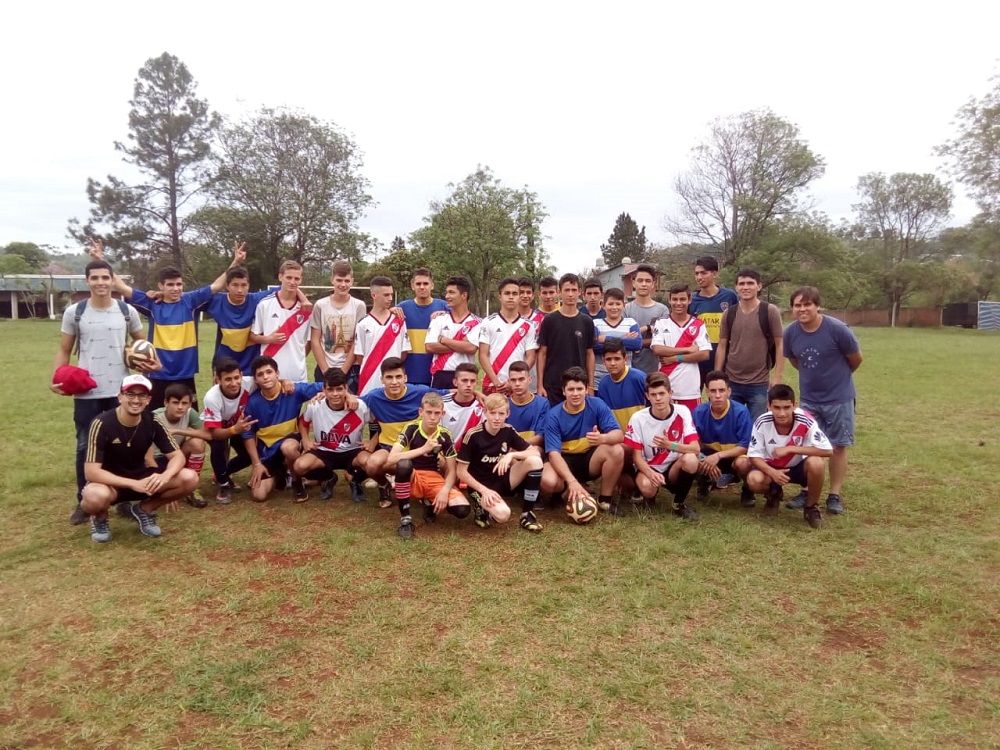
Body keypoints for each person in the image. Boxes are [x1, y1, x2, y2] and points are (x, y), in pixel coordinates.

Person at [52, 250, 146, 525]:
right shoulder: (75, 312)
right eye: (95, 278)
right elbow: (64, 349)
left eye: (106, 277)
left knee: (125, 447)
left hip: (121, 392)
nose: (101, 282)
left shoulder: (127, 311)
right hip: (87, 391)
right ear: (87, 281)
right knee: (85, 446)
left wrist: (149, 363)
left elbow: (142, 344)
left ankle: (124, 501)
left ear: (112, 279)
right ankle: (85, 500)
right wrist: (56, 377)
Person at [110, 243, 243, 409]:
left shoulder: (191, 301)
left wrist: (235, 262)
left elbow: (217, 285)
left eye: (179, 284)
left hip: (185, 374)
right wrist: (100, 261)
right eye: (170, 285)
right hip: (157, 373)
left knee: (189, 419)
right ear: (161, 286)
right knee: (154, 420)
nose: (176, 288)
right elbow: (122, 287)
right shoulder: (152, 304)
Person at [80, 374, 199, 542]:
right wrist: (133, 484)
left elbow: (177, 456)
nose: (136, 400)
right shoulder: (101, 423)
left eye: (142, 395)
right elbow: (91, 472)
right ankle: (99, 517)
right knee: (93, 496)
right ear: (120, 397)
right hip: (110, 483)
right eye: (130, 394)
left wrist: (164, 477)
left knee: (190, 478)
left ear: (149, 399)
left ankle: (145, 509)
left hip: (143, 477)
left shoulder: (153, 420)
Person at [782, 286, 862, 515]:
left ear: (818, 306)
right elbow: (795, 361)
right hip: (809, 400)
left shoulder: (837, 330)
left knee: (838, 446)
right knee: (809, 447)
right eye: (797, 305)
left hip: (838, 398)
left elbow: (855, 359)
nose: (802, 309)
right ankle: (808, 490)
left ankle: (834, 495)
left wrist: (837, 380)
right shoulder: (791, 333)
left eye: (807, 304)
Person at [362, 357, 450, 508]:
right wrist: (322, 394)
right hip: (389, 448)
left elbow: (448, 393)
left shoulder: (420, 392)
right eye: (389, 377)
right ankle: (384, 485)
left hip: (417, 447)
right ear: (382, 379)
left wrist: (476, 393)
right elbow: (349, 401)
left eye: (398, 377)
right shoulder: (373, 397)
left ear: (405, 378)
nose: (394, 381)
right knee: (372, 464)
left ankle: (432, 489)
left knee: (442, 463)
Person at [745, 383, 833, 528]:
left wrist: (791, 449)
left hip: (797, 467)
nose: (782, 413)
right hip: (771, 467)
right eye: (777, 407)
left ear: (794, 405)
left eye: (786, 407)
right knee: (754, 480)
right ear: (769, 406)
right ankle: (774, 494)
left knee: (817, 463)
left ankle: (811, 508)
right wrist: (772, 472)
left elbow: (827, 450)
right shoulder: (762, 422)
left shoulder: (806, 420)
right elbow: (753, 456)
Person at [540, 367, 624, 514]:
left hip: (588, 460)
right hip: (563, 459)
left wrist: (602, 438)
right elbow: (553, 454)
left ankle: (605, 499)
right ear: (564, 391)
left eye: (579, 389)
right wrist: (572, 482)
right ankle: (564, 489)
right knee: (548, 481)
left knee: (616, 450)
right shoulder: (553, 415)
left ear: (586, 389)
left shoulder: (597, 404)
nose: (575, 393)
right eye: (571, 389)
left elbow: (619, 435)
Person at [457, 394, 545, 533]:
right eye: (492, 413)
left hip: (503, 479)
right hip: (481, 486)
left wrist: (512, 455)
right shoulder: (473, 435)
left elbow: (535, 452)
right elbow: (461, 471)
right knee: (503, 515)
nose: (497, 418)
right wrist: (484, 491)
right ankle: (480, 506)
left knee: (535, 461)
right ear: (485, 412)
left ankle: (527, 514)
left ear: (507, 414)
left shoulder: (508, 430)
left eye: (501, 413)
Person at [388, 392, 470, 539]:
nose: (432, 417)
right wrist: (423, 449)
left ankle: (429, 502)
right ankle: (406, 520)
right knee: (403, 465)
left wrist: (445, 490)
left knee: (462, 510)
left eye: (436, 413)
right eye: (428, 412)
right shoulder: (411, 428)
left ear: (443, 414)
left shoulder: (445, 435)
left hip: (434, 478)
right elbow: (391, 458)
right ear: (421, 412)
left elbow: (452, 470)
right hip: (414, 476)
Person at [241, 356, 323, 503]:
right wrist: (257, 464)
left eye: (269, 372)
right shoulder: (252, 403)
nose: (265, 377)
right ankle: (281, 473)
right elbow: (248, 434)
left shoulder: (292, 390)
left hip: (291, 442)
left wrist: (328, 393)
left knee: (288, 448)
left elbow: (327, 386)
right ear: (256, 380)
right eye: (260, 374)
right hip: (269, 451)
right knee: (258, 496)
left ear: (277, 373)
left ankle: (297, 481)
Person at [623, 372, 701, 521]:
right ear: (647, 396)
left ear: (670, 393)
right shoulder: (638, 418)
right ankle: (650, 496)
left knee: (691, 460)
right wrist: (650, 474)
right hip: (650, 467)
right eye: (653, 395)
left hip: (674, 467)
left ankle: (679, 503)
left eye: (662, 393)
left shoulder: (682, 411)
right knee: (647, 487)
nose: (658, 398)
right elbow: (637, 457)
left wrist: (670, 445)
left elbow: (695, 449)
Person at [291, 368, 372, 503]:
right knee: (299, 466)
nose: (335, 394)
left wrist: (373, 441)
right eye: (330, 390)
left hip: (352, 452)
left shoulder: (359, 406)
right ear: (324, 389)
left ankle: (355, 481)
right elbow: (303, 422)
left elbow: (378, 423)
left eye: (339, 389)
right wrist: (305, 439)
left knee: (373, 463)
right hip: (324, 452)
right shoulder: (316, 405)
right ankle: (328, 478)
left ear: (346, 388)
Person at [714, 268, 784, 420]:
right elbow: (722, 345)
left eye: (750, 283)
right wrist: (717, 375)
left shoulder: (770, 311)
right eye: (742, 283)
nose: (746, 287)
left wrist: (777, 378)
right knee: (732, 424)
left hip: (759, 383)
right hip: (732, 381)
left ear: (759, 286)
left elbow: (779, 345)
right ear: (736, 287)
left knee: (758, 427)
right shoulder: (729, 313)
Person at [200, 357, 259, 504]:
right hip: (219, 428)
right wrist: (235, 429)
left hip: (238, 424)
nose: (233, 383)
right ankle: (224, 484)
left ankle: (224, 474)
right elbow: (215, 433)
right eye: (227, 379)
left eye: (236, 377)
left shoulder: (250, 383)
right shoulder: (211, 397)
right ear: (217, 380)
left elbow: (273, 380)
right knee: (218, 446)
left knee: (248, 455)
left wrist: (285, 382)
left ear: (241, 375)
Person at [692, 371, 754, 507]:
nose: (718, 395)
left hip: (734, 456)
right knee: (692, 459)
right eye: (713, 391)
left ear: (729, 391)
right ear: (707, 392)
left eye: (722, 390)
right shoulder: (698, 412)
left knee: (743, 464)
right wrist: (703, 459)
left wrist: (718, 456)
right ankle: (704, 483)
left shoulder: (740, 412)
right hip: (709, 455)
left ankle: (748, 490)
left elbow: (745, 446)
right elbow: (693, 444)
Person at [206, 254, 275, 375]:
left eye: (244, 285)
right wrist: (235, 262)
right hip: (224, 364)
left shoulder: (256, 299)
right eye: (235, 285)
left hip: (252, 366)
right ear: (227, 286)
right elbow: (199, 294)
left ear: (248, 285)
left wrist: (304, 299)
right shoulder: (217, 301)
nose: (240, 290)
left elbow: (287, 287)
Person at [250, 260, 313, 384]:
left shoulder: (306, 309)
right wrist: (269, 339)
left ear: (301, 280)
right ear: (280, 277)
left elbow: (311, 341)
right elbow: (253, 336)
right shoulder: (265, 304)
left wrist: (298, 358)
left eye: (296, 278)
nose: (292, 282)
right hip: (269, 373)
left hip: (296, 374)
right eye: (288, 277)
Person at [537, 274, 596, 405]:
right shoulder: (549, 320)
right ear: (559, 292)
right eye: (567, 290)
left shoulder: (586, 321)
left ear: (580, 292)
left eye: (574, 290)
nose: (570, 294)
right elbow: (542, 353)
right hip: (553, 386)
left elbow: (589, 354)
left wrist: (590, 385)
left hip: (577, 386)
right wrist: (540, 385)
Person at [651, 284, 711, 412]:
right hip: (665, 388)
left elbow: (704, 354)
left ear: (689, 300)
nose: (678, 303)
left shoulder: (698, 324)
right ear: (669, 299)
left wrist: (675, 358)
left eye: (682, 299)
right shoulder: (661, 323)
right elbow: (657, 349)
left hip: (689, 390)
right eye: (675, 299)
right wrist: (687, 349)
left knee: (690, 427)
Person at [309, 259, 367, 390]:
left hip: (350, 368)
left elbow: (357, 341)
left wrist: (343, 371)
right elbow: (315, 340)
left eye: (347, 281)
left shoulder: (359, 306)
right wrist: (326, 371)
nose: (343, 284)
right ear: (332, 280)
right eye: (339, 280)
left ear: (352, 281)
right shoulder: (320, 305)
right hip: (325, 368)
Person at [153, 383, 211, 508]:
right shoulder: (155, 417)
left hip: (176, 455)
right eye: (175, 403)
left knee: (197, 442)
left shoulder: (190, 413)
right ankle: (169, 489)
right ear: (166, 403)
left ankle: (191, 489)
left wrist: (178, 431)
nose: (180, 407)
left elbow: (207, 435)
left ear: (190, 404)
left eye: (184, 403)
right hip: (156, 460)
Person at [354, 276, 411, 397]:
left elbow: (404, 352)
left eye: (391, 294)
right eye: (386, 295)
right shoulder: (363, 323)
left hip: (393, 382)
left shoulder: (399, 321)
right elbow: (360, 356)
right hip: (369, 380)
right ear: (374, 295)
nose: (390, 298)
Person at [478, 278, 537, 395]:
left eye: (514, 293)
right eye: (507, 293)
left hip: (517, 386)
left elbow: (531, 357)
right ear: (500, 296)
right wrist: (496, 381)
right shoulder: (488, 322)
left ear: (519, 297)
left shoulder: (528, 325)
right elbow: (482, 355)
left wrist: (514, 381)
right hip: (493, 384)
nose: (511, 297)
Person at [689, 256, 739, 386]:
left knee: (720, 401)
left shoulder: (729, 296)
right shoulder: (691, 300)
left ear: (714, 273)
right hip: (698, 362)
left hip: (725, 362)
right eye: (697, 273)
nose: (699, 277)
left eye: (703, 273)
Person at [426, 276, 481, 390]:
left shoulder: (477, 322)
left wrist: (444, 340)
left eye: (451, 292)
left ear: (464, 295)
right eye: (446, 293)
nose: (447, 296)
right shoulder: (439, 319)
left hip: (465, 376)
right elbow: (429, 347)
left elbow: (471, 348)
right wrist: (461, 345)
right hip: (440, 374)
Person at [398, 267, 449, 387]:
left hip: (436, 371)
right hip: (409, 372)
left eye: (425, 283)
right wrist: (390, 310)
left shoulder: (444, 307)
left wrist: (446, 315)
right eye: (418, 284)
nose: (422, 287)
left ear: (432, 285)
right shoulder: (402, 308)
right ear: (412, 286)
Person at [624, 264, 668, 374]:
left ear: (653, 284)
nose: (644, 284)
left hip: (655, 370)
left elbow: (664, 340)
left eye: (648, 281)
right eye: (640, 280)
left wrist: (637, 341)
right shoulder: (626, 309)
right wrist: (647, 328)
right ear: (634, 283)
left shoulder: (662, 310)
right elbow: (624, 340)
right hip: (629, 369)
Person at [593, 288, 641, 386]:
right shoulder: (595, 324)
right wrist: (624, 341)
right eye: (610, 304)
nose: (614, 307)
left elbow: (637, 344)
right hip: (599, 379)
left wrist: (606, 339)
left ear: (624, 305)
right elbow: (594, 346)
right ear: (603, 305)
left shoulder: (631, 323)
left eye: (618, 304)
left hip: (625, 378)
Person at [505, 360, 549, 448]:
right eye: (513, 380)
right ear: (509, 381)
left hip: (532, 449)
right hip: (508, 450)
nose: (517, 384)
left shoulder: (543, 404)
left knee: (535, 453)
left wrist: (517, 445)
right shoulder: (504, 404)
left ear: (529, 380)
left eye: (521, 379)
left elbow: (541, 437)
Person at [441, 363, 484, 449]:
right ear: (455, 382)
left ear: (477, 382)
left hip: (472, 456)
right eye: (464, 380)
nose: (468, 385)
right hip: (445, 454)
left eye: (472, 381)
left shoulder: (483, 406)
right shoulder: (442, 404)